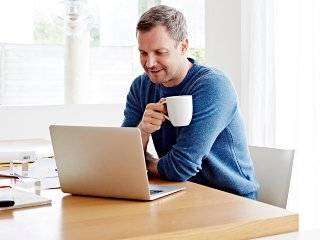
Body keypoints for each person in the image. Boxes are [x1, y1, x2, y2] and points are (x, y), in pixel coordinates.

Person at [121, 5, 259, 199]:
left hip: (231, 198)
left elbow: (180, 167)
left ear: (183, 46)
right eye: (143, 53)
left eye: (160, 52)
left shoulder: (213, 86)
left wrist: (147, 163)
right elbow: (123, 159)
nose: (150, 63)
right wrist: (142, 131)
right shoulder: (141, 86)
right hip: (182, 192)